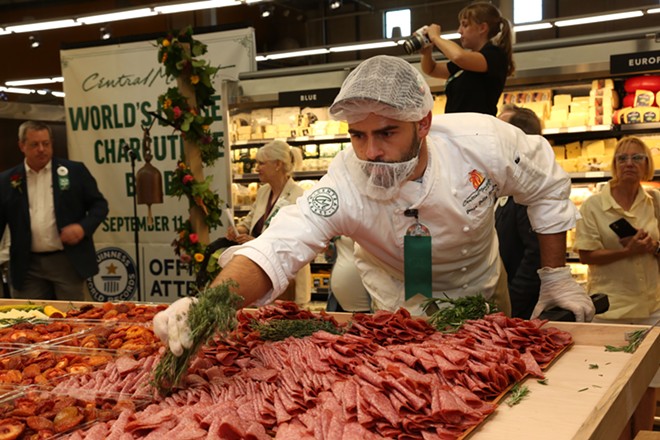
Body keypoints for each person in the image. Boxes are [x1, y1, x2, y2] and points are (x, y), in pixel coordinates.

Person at [154, 55, 594, 357]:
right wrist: (209, 304)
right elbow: (280, 244)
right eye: (357, 135)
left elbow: (545, 189)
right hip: (399, 303)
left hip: (482, 283)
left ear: (423, 122)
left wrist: (554, 277)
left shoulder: (483, 142)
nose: (371, 152)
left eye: (386, 133)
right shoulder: (343, 182)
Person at [573, 136, 660, 440]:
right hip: (612, 311)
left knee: (651, 383)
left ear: (647, 164)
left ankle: (645, 434)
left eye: (637, 158)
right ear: (614, 165)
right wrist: (627, 251)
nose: (629, 164)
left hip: (651, 307)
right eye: (623, 158)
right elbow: (584, 255)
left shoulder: (654, 201)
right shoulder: (595, 205)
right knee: (614, 387)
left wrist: (653, 245)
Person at [0, 120, 109, 301]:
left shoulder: (74, 172)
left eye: (46, 143)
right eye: (35, 144)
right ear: (22, 146)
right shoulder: (7, 180)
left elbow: (100, 205)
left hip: (66, 261)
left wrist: (82, 228)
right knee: (28, 320)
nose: (42, 149)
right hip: (27, 265)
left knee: (74, 318)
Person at [225, 140, 311, 306]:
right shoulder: (264, 191)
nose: (256, 168)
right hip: (263, 277)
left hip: (289, 282)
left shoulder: (299, 196)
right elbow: (251, 219)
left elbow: (297, 241)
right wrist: (239, 229)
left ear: (278, 164)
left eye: (261, 163)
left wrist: (257, 242)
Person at [420, 1, 514, 116]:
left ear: (482, 28)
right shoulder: (465, 63)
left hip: (478, 128)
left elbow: (458, 56)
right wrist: (427, 52)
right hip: (457, 127)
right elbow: (432, 69)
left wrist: (435, 37)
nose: (459, 31)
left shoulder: (494, 55)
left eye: (465, 25)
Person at [495, 104, 543, 319]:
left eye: (499, 129)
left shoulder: (530, 186)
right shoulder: (503, 181)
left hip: (520, 311)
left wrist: (511, 306)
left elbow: (535, 257)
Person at [325, 236, 371, 313]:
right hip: (338, 302)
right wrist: (328, 246)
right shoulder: (339, 226)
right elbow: (332, 256)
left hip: (367, 292)